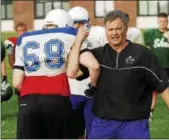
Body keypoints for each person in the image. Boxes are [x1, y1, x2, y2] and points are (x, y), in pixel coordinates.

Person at [66, 10, 169, 139]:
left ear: (126, 29)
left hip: (135, 124)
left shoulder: (143, 55)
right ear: (106, 31)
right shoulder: (98, 55)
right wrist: (77, 42)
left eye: (118, 29)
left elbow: (162, 84)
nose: (114, 33)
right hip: (103, 123)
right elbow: (73, 73)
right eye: (110, 29)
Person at [13, 9, 84, 139]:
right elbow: (75, 71)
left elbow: (17, 82)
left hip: (28, 103)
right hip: (57, 99)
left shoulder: (24, 38)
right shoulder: (71, 34)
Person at [68, 6, 108, 138]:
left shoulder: (97, 36)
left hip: (92, 92)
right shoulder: (65, 39)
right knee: (71, 131)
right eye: (75, 22)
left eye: (81, 22)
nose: (78, 26)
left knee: (93, 132)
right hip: (71, 91)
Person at [144, 13, 169, 121]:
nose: (163, 23)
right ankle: (150, 113)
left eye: (165, 21)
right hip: (155, 67)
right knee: (153, 91)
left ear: (168, 22)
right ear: (158, 22)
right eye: (161, 21)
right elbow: (147, 50)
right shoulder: (150, 34)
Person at [4, 23, 27, 103]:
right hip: (19, 69)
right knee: (19, 92)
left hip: (29, 69)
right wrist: (18, 69)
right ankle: (21, 109)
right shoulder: (13, 42)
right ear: (17, 31)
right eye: (20, 31)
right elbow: (11, 60)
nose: (23, 32)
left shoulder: (29, 40)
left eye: (24, 30)